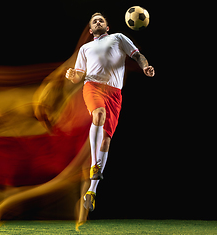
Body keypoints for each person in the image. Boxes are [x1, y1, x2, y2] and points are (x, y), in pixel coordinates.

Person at [65, 12, 155, 212]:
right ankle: (94, 164)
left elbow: (137, 55)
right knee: (98, 114)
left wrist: (146, 66)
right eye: (94, 21)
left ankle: (92, 190)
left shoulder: (118, 38)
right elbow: (78, 76)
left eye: (101, 20)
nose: (98, 22)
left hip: (114, 93)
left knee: (106, 141)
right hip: (93, 86)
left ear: (107, 27)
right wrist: (72, 75)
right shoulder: (85, 48)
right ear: (90, 30)